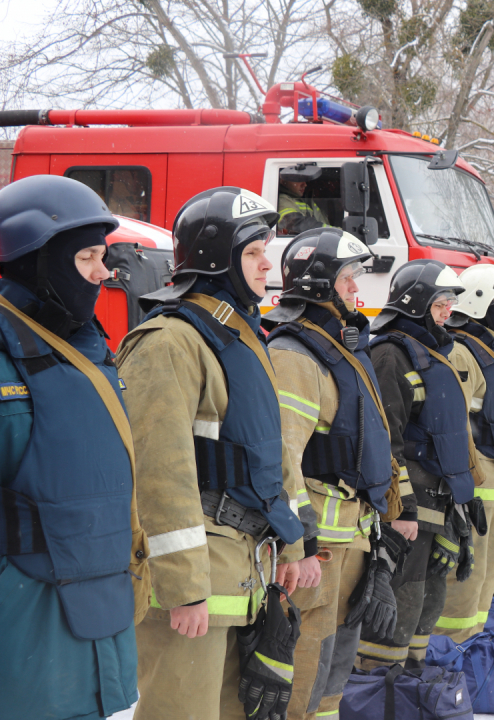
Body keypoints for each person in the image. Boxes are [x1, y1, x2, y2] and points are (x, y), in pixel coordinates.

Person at [117, 186, 306, 720]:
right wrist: (182, 588)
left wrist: (289, 545)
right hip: (196, 585)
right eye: (253, 252)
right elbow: (158, 476)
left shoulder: (244, 337)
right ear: (215, 257)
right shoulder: (168, 343)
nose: (268, 264)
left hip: (245, 571)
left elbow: (273, 453)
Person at [0, 174, 150, 720]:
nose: (103, 273)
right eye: (87, 256)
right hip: (27, 641)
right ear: (35, 259)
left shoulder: (86, 349)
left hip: (102, 632)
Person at [262, 227, 399, 719]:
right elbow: (283, 458)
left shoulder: (341, 348)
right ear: (319, 285)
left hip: (353, 538)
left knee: (336, 664)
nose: (356, 291)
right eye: (347, 280)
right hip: (318, 546)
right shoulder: (295, 356)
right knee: (305, 665)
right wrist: (299, 546)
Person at [360, 259, 485, 669]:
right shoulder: (391, 355)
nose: (449, 311)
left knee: (427, 602)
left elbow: (453, 435)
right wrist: (403, 508)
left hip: (438, 504)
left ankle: (411, 686)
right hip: (411, 510)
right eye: (440, 303)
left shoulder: (431, 353)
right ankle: (380, 692)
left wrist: (464, 497)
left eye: (450, 303)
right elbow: (386, 440)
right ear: (414, 304)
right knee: (401, 600)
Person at [435, 264, 494, 642]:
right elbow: (455, 423)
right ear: (477, 303)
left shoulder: (488, 347)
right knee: (465, 584)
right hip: (476, 485)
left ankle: (471, 649)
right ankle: (450, 655)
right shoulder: (459, 352)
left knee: (485, 580)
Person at [278, 164, 330, 235]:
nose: (304, 184)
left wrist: (332, 232)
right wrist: (334, 232)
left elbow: (323, 223)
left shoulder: (308, 201)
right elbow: (294, 222)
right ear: (282, 180)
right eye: (298, 179)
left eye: (304, 180)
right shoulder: (281, 200)